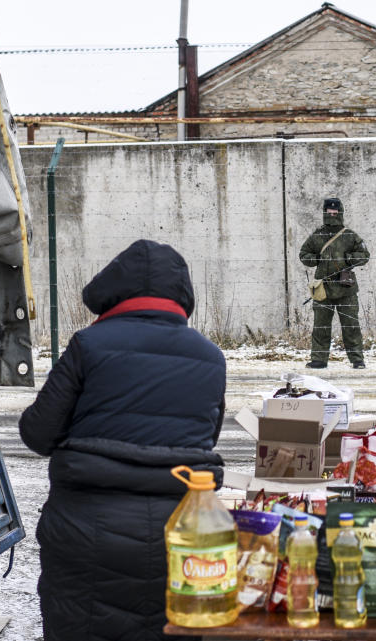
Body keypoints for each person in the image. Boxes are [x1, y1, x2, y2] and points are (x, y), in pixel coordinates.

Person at [19, 239, 226, 641]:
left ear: (113, 291)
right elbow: (205, 438)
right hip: (182, 534)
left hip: (86, 534)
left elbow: (37, 433)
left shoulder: (88, 345)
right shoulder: (210, 357)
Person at [299, 197, 370, 369]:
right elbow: (304, 254)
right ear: (324, 213)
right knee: (321, 326)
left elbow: (364, 255)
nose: (332, 215)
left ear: (341, 213)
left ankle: (357, 359)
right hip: (323, 288)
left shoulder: (350, 236)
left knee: (351, 325)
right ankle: (319, 359)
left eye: (335, 213)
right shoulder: (317, 236)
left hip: (346, 288)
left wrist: (349, 258)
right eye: (329, 213)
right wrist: (316, 258)